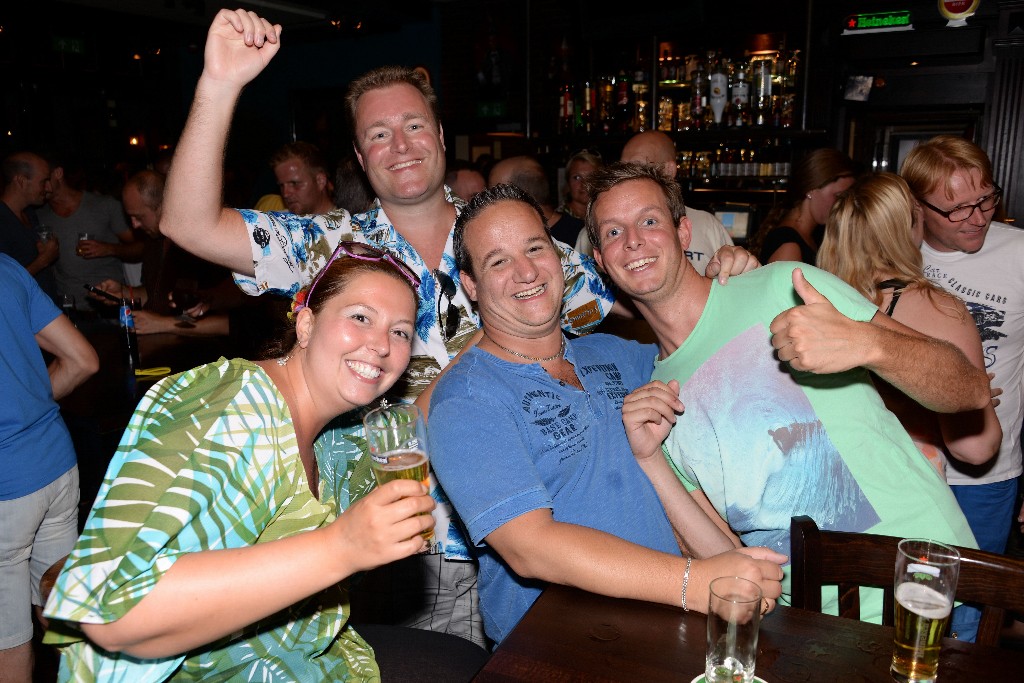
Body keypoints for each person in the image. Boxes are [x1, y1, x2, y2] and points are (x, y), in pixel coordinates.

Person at [155, 9, 653, 646]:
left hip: (545, 532)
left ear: (441, 134)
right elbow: (188, 225)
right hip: (407, 544)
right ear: (361, 158)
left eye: (414, 125)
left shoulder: (511, 241)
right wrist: (219, 86)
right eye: (379, 134)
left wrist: (721, 277)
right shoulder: (332, 247)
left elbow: (638, 303)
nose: (401, 145)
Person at [42, 243, 490, 681]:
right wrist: (341, 547)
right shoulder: (229, 406)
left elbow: (421, 414)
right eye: (360, 318)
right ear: (307, 326)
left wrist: (497, 330)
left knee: (465, 661)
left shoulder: (341, 432)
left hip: (310, 657)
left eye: (400, 332)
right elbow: (111, 611)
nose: (380, 345)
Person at [585, 161, 988, 623]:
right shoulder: (656, 402)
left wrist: (869, 343)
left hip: (921, 589)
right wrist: (649, 459)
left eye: (649, 221)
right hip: (809, 622)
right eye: (613, 232)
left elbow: (968, 390)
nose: (633, 240)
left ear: (683, 232)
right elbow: (726, 555)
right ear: (601, 260)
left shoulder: (783, 285)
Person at [425, 183, 786, 645]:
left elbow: (700, 342)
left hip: (673, 629)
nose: (526, 271)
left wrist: (735, 283)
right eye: (498, 261)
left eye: (535, 248)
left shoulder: (618, 355)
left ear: (558, 257)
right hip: (559, 649)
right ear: (471, 286)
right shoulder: (466, 400)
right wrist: (692, 582)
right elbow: (529, 547)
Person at [902, 135, 1024, 640]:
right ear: (917, 207)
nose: (978, 218)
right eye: (957, 209)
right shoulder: (894, 255)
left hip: (988, 474)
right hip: (902, 466)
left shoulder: (1019, 253)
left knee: (969, 619)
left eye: (986, 199)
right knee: (900, 606)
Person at [817, 172, 1001, 479]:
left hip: (826, 479)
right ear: (908, 227)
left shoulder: (811, 295)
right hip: (902, 489)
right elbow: (974, 448)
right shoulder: (937, 309)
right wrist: (972, 396)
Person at [0, 253, 98, 683]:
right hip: (56, 466)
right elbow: (83, 360)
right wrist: (28, 411)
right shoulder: (5, 267)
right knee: (62, 613)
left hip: (7, 490)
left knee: (8, 645)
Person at [89, 170, 232, 337]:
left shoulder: (200, 245)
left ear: (163, 206)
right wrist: (125, 292)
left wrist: (164, 324)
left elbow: (230, 319)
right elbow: (155, 293)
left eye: (139, 217)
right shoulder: (153, 240)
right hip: (164, 347)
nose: (134, 225)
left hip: (201, 351)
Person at [574, 130, 735, 275]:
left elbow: (734, 281)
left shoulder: (708, 225)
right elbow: (579, 297)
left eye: (638, 168)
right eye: (614, 232)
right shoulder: (590, 234)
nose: (633, 241)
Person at [36, 153, 144, 311]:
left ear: (58, 173)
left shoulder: (104, 206)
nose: (39, 185)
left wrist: (109, 249)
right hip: (66, 309)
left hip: (108, 306)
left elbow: (142, 248)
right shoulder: (38, 216)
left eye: (43, 179)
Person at [747, 148, 858, 265]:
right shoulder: (789, 246)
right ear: (811, 189)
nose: (842, 205)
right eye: (838, 196)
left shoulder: (809, 236)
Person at [487, 154, 582, 245]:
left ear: (519, 195)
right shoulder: (501, 237)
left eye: (495, 193)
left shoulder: (583, 238)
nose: (489, 200)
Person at [0, 151, 58, 297]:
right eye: (43, 181)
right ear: (21, 181)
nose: (49, 188)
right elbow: (5, 284)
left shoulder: (30, 214)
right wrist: (43, 260)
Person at [270, 141, 336, 216]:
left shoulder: (347, 225)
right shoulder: (276, 222)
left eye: (294, 183)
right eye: (281, 185)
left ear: (320, 181)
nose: (285, 194)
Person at [556, 149, 601, 220]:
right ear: (568, 182)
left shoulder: (606, 214)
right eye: (577, 177)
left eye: (591, 177)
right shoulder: (557, 220)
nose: (584, 184)